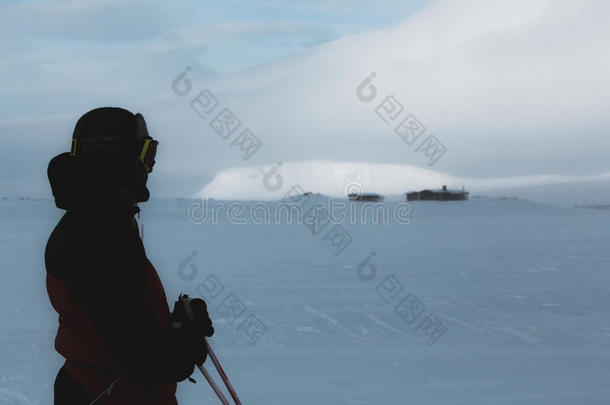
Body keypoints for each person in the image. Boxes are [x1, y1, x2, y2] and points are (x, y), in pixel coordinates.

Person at [45, 107, 214, 404]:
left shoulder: (96, 219)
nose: (151, 167)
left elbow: (118, 323)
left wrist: (172, 324)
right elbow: (144, 357)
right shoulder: (100, 231)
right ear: (120, 155)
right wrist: (186, 339)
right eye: (147, 153)